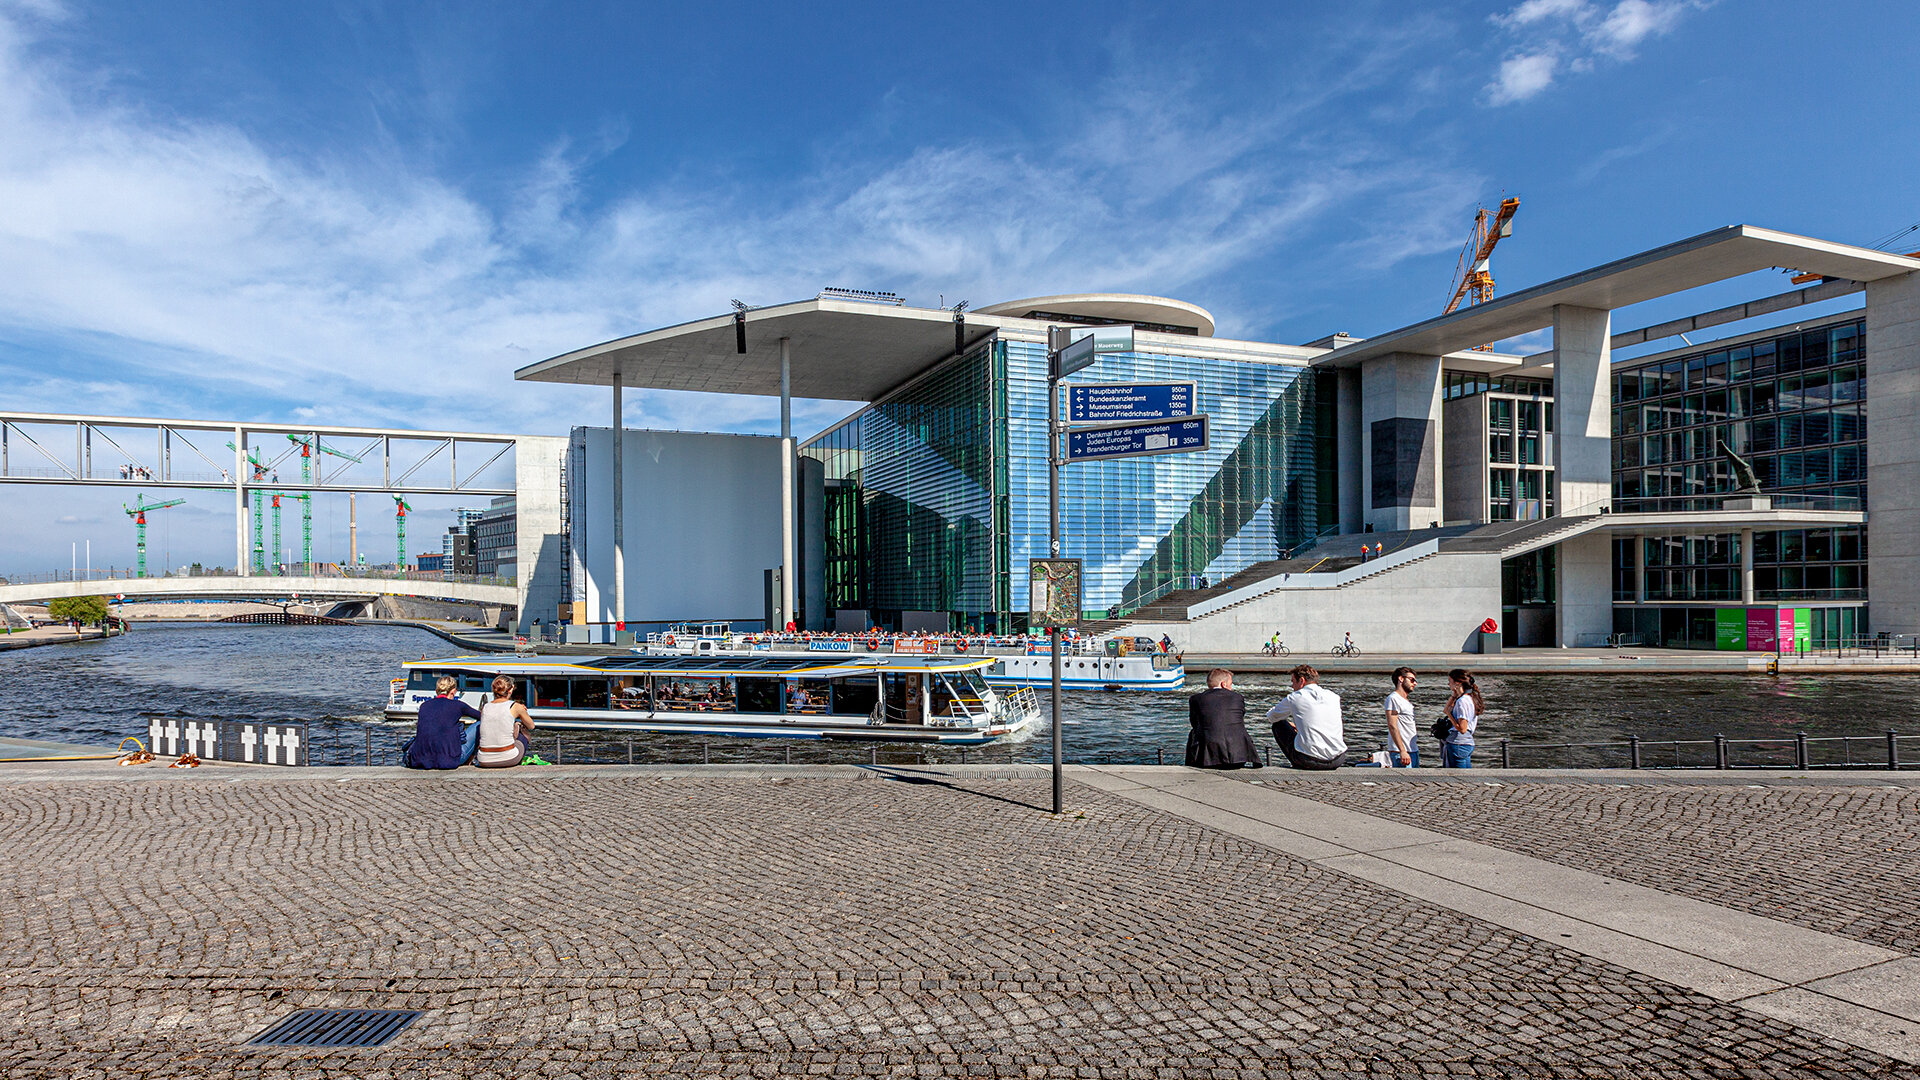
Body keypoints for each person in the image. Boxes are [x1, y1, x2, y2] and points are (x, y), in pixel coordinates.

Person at [1265, 664, 1347, 770]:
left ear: (1302, 681)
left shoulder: (1295, 697)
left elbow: (1272, 717)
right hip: (1337, 759)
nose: (1292, 686)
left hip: (1308, 760)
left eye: (1293, 682)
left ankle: (1297, 763)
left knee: (1279, 724)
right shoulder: (1334, 696)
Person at [1184, 668, 1263, 769]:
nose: (1231, 687)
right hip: (1239, 758)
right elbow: (1240, 717)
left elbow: (1194, 723)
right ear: (1223, 684)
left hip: (1208, 760)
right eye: (1230, 684)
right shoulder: (1238, 697)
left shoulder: (1196, 699)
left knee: (1194, 732)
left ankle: (1189, 765)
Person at [404, 675, 481, 769]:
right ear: (453, 691)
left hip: (421, 759)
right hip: (449, 760)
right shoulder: (458, 705)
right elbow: (482, 717)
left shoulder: (424, 706)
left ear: (437, 691)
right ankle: (471, 760)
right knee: (479, 724)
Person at [474, 675, 537, 768]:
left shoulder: (485, 707)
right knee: (522, 733)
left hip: (483, 759)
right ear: (510, 689)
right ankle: (519, 762)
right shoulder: (515, 706)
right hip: (508, 758)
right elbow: (531, 726)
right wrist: (522, 713)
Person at [1442, 668, 1483, 768]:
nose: (1448, 684)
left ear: (1458, 683)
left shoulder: (1462, 701)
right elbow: (1445, 710)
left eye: (1450, 682)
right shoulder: (1469, 698)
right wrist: (1454, 695)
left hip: (1458, 743)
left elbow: (1462, 728)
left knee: (1457, 776)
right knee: (1466, 776)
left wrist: (1450, 715)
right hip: (1466, 743)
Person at [1383, 667, 1419, 768]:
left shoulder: (1406, 701)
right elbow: (1392, 725)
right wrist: (1402, 751)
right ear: (1401, 679)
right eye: (1412, 680)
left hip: (1412, 750)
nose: (1415, 683)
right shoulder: (1393, 699)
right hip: (1401, 752)